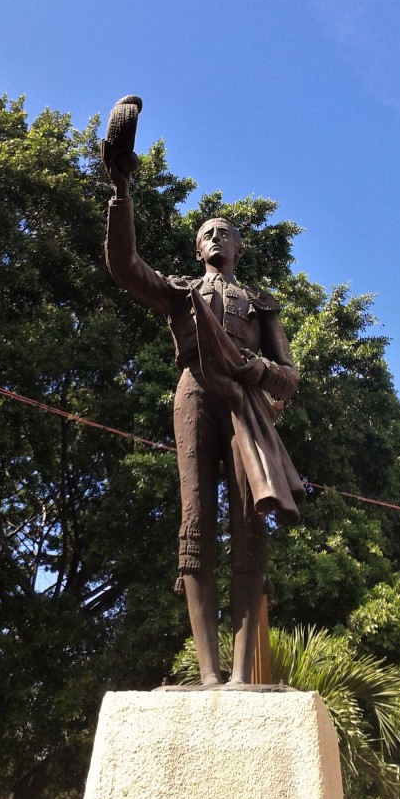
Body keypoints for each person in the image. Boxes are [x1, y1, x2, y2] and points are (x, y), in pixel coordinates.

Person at [103, 102, 304, 686]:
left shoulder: (260, 304)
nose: (216, 238)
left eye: (225, 233)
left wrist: (257, 370)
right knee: (195, 522)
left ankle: (242, 676)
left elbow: (290, 378)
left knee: (247, 525)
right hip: (193, 396)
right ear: (198, 251)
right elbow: (125, 267)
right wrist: (121, 192)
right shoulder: (184, 291)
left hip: (243, 406)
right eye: (206, 234)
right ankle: (210, 675)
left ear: (238, 248)